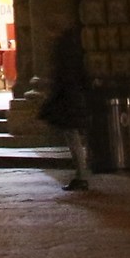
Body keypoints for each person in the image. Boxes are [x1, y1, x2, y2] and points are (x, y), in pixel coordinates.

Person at [39, 23, 96, 192]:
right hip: (75, 98)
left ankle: (82, 175)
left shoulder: (63, 49)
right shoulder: (74, 47)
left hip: (69, 100)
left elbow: (63, 78)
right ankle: (84, 172)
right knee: (76, 136)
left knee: (73, 136)